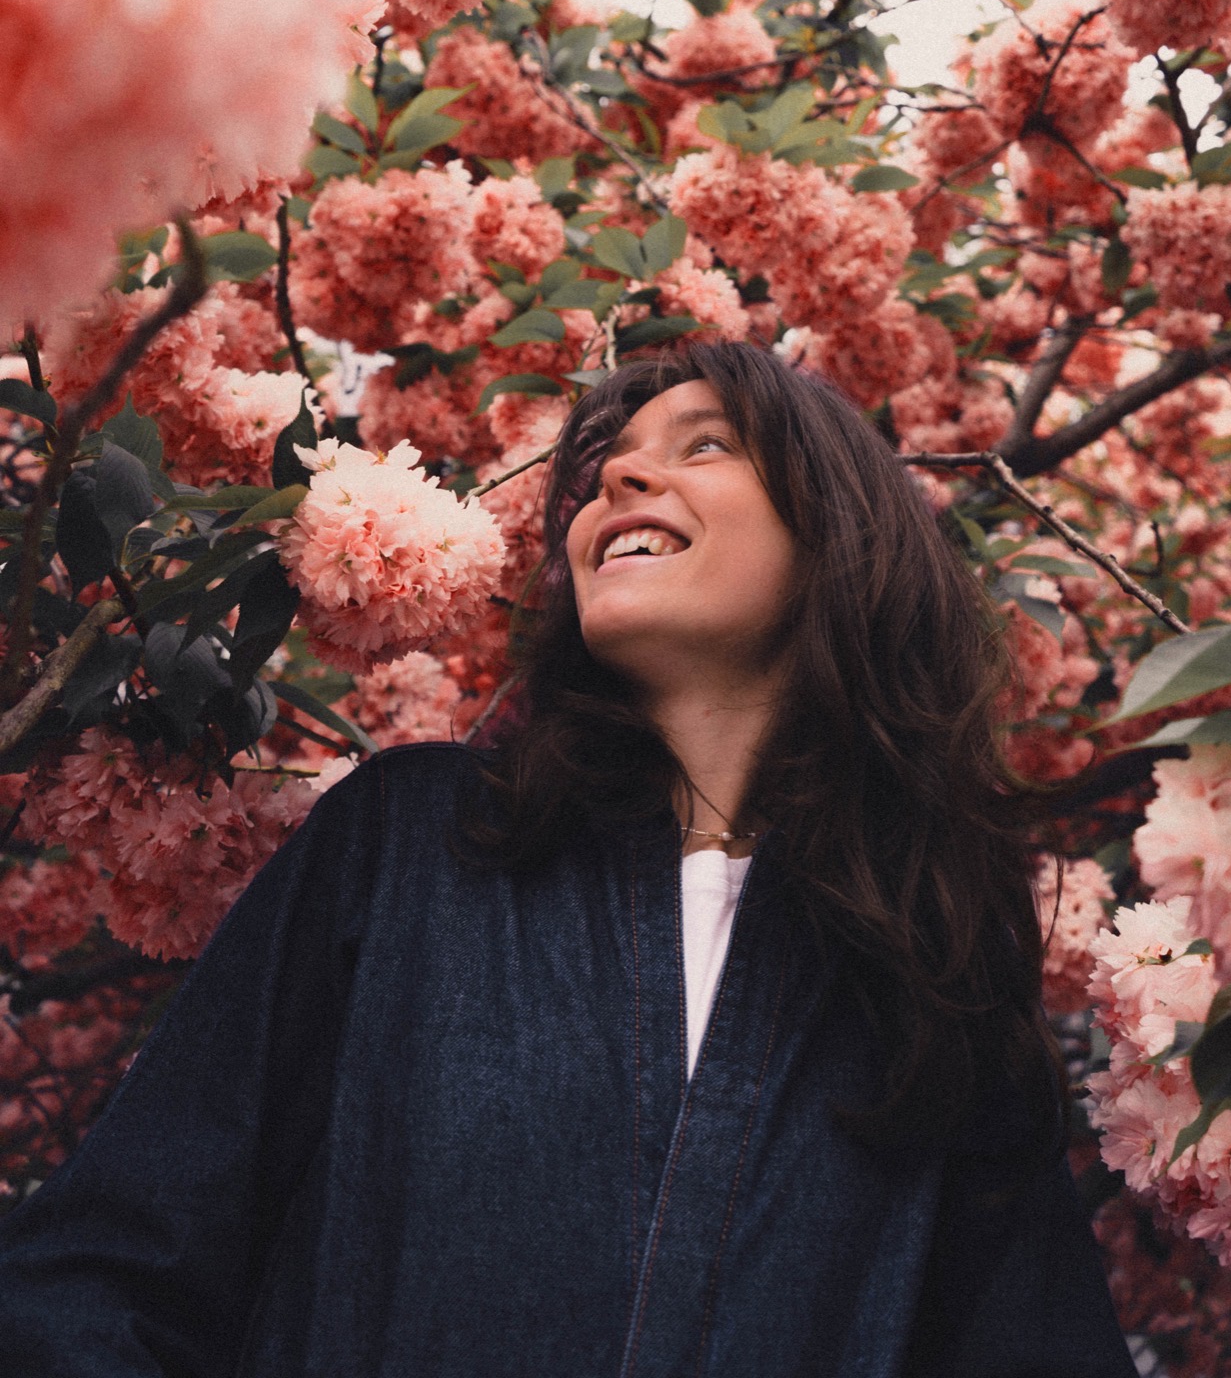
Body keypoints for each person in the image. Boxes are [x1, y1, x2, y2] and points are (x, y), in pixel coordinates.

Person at [0, 340, 1136, 1376]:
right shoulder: (408, 846)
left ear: (839, 534)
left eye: (703, 446)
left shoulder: (931, 977)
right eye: (607, 467)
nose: (618, 481)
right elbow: (112, 1270)